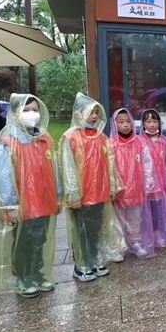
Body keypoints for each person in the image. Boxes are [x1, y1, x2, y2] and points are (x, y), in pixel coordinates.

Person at [0, 94, 60, 297]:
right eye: (25, 110)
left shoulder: (44, 139)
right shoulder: (8, 142)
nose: (31, 114)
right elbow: (3, 176)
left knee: (40, 239)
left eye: (35, 109)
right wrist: (11, 205)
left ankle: (38, 273)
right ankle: (23, 277)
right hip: (23, 204)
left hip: (44, 202)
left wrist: (58, 196)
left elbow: (54, 169)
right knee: (23, 242)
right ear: (14, 114)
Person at [60, 93, 126, 282]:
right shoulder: (70, 138)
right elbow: (68, 168)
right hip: (81, 196)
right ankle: (81, 265)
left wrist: (111, 187)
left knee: (96, 230)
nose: (95, 116)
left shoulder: (100, 137)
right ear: (78, 114)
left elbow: (110, 163)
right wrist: (73, 193)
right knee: (81, 231)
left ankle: (94, 260)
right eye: (90, 112)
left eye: (97, 112)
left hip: (99, 193)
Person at [109, 108, 157, 258]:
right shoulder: (111, 144)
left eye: (128, 121)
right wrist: (112, 187)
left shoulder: (140, 143)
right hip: (119, 191)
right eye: (121, 122)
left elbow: (147, 164)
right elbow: (109, 167)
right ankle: (119, 245)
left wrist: (148, 183)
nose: (125, 125)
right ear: (115, 124)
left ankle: (135, 242)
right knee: (118, 219)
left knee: (135, 218)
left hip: (136, 189)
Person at [139, 109, 166, 247]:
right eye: (148, 121)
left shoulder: (164, 142)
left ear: (160, 123)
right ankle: (147, 236)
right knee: (146, 212)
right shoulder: (139, 142)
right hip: (144, 186)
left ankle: (159, 234)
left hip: (161, 185)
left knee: (159, 211)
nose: (152, 125)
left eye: (155, 121)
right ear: (143, 124)